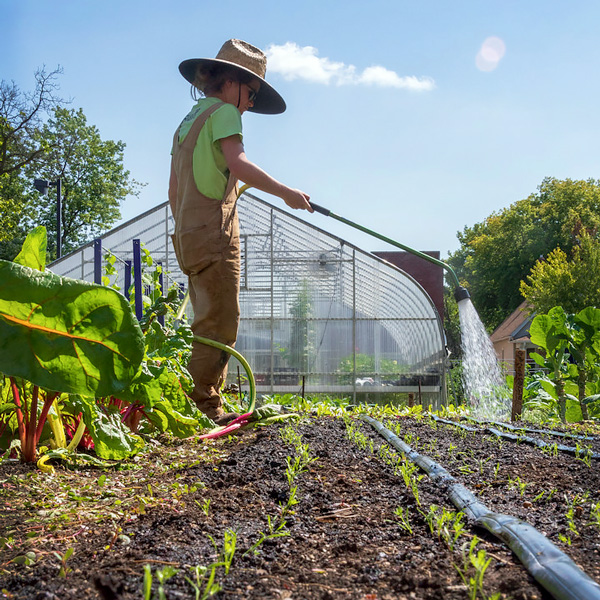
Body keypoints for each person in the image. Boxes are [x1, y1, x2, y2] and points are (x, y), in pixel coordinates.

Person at [169, 39, 312, 425]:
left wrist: (188, 226)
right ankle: (204, 406)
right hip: (213, 231)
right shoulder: (226, 113)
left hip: (186, 234)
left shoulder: (188, 121)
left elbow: (174, 189)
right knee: (220, 321)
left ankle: (200, 399)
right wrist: (286, 193)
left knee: (205, 318)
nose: (250, 103)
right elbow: (239, 162)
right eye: (250, 93)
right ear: (230, 82)